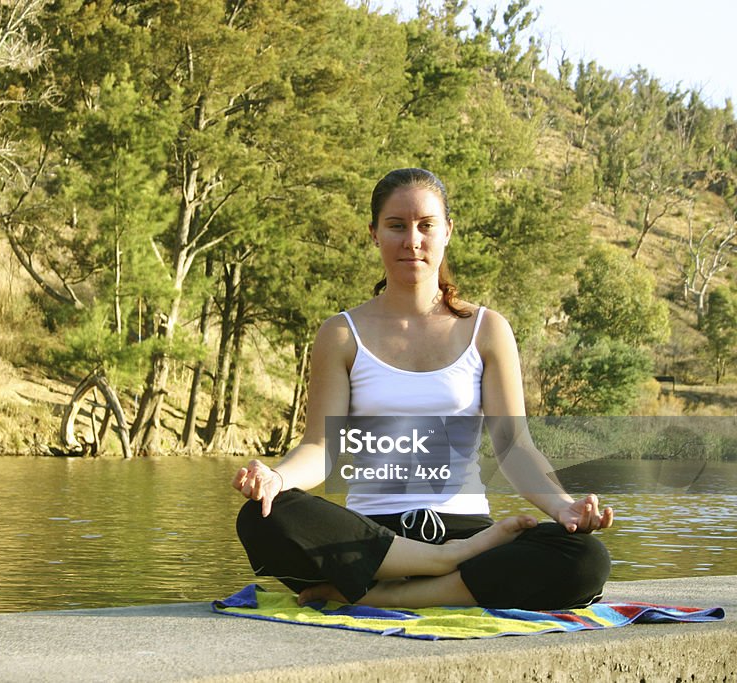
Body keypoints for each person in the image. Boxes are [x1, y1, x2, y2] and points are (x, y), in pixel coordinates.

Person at [231, 168, 613, 610]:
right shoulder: (341, 333)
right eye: (396, 225)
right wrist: (277, 478)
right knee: (263, 518)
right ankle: (440, 566)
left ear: (447, 232)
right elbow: (322, 447)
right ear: (374, 234)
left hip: (468, 531)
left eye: (426, 225)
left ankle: (396, 593)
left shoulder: (487, 329)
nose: (412, 240)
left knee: (584, 558)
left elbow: (513, 446)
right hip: (370, 541)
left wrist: (563, 507)